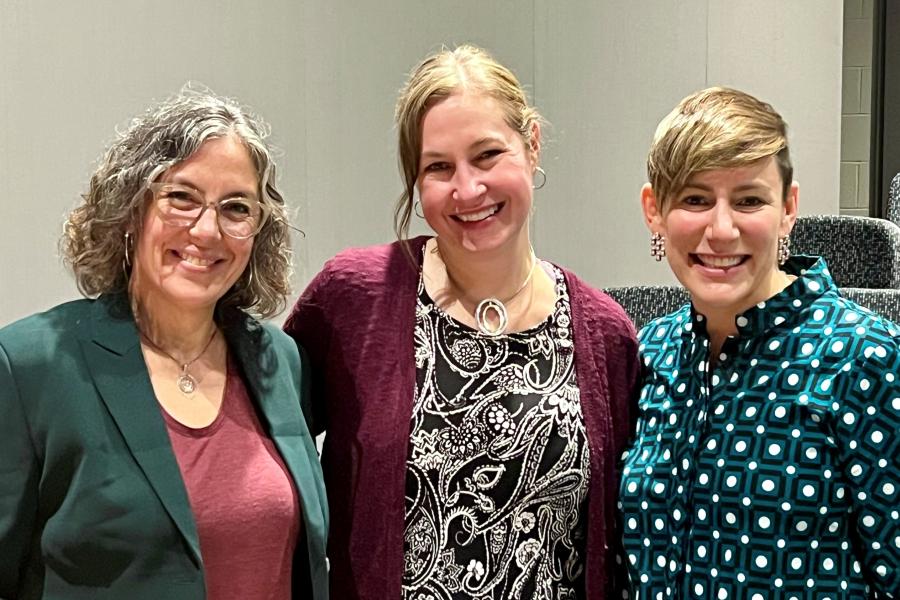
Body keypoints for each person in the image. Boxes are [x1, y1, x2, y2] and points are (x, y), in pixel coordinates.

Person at [284, 44, 638, 599]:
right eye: (439, 167)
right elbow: (266, 453)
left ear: (533, 144)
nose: (468, 189)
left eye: (488, 155)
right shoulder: (352, 299)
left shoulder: (606, 334)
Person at [0, 88, 328, 599]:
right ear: (131, 210)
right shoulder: (30, 366)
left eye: (236, 208)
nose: (206, 230)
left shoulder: (278, 360)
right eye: (181, 197)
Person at [620, 87, 899, 597]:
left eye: (749, 200)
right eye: (695, 199)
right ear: (653, 210)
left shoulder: (867, 359)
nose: (721, 230)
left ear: (788, 208)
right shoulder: (649, 353)